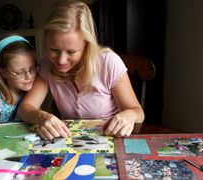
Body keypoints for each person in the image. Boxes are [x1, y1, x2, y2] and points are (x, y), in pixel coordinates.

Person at [17, 0, 144, 139]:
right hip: (70, 142)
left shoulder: (109, 62)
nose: (61, 60)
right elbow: (25, 108)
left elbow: (138, 112)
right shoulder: (46, 65)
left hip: (110, 139)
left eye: (71, 52)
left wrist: (130, 115)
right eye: (54, 50)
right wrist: (41, 117)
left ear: (87, 46)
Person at [0, 35, 39, 124]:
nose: (29, 76)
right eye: (19, 72)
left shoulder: (33, 91)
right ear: (3, 72)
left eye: (33, 69)